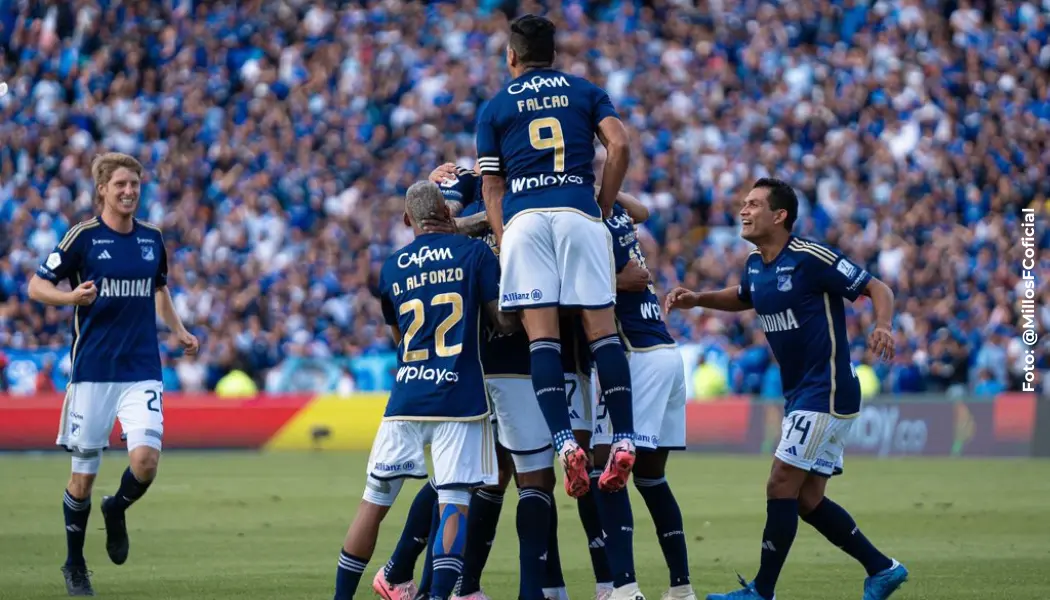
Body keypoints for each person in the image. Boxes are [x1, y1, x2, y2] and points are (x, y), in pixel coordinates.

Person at [664, 178, 908, 600]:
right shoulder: (756, 263)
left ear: (780, 216)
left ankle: (762, 591)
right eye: (743, 203)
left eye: (754, 204)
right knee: (807, 500)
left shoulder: (810, 257)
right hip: (804, 393)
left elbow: (877, 287)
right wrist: (698, 298)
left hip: (825, 389)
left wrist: (883, 324)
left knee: (780, 484)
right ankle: (883, 569)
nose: (743, 210)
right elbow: (744, 296)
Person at [475, 13, 637, 499]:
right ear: (554, 54)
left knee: (541, 336)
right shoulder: (585, 91)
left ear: (511, 56)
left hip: (525, 219)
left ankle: (565, 442)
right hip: (578, 211)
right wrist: (602, 206)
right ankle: (624, 439)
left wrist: (505, 240)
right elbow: (620, 143)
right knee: (601, 330)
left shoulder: (496, 106)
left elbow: (491, 186)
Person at [28, 152, 199, 597]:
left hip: (142, 368)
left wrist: (178, 329)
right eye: (120, 184)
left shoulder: (152, 239)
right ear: (102, 188)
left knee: (145, 462)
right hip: (93, 373)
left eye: (135, 185)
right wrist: (70, 300)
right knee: (81, 478)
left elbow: (158, 289)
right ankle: (74, 563)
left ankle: (117, 507)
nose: (128, 192)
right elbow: (36, 285)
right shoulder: (82, 237)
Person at [333, 181, 513, 600]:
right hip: (460, 398)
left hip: (407, 396)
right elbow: (501, 323)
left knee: (373, 502)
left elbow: (398, 335)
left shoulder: (393, 266)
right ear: (448, 215)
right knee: (453, 501)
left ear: (406, 220)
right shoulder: (474, 254)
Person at [593, 190, 696, 600]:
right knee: (652, 477)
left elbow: (582, 290)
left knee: (606, 471)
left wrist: (615, 282)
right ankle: (681, 587)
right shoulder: (617, 213)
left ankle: (625, 587)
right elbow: (642, 210)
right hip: (668, 353)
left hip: (639, 358)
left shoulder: (587, 218)